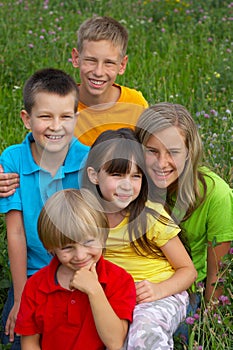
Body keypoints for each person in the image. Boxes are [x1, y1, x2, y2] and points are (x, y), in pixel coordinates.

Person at [0, 16, 148, 196]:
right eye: (91, 60)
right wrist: (7, 174)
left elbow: (146, 159)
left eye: (109, 63)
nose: (98, 72)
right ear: (76, 58)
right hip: (69, 201)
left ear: (122, 65)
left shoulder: (136, 105)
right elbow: (36, 152)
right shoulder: (61, 106)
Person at [82, 128, 197, 349]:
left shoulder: (149, 215)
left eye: (136, 176)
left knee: (144, 332)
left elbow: (188, 270)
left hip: (158, 294)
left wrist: (158, 289)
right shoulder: (85, 216)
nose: (127, 185)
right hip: (114, 296)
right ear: (94, 175)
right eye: (117, 175)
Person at [0, 68, 90, 349]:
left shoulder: (87, 158)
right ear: (27, 119)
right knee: (14, 334)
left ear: (76, 118)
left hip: (78, 267)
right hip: (32, 273)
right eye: (45, 116)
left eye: (65, 117)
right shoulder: (13, 159)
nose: (56, 126)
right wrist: (21, 298)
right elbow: (15, 233)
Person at [135, 102, 233, 302]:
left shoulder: (216, 194)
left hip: (184, 292)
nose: (162, 163)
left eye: (173, 152)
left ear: (189, 152)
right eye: (152, 151)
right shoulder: (129, 186)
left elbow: (217, 275)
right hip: (133, 287)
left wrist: (207, 327)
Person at [14, 189, 136, 350]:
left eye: (88, 242)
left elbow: (114, 342)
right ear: (51, 248)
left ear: (103, 236)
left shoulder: (120, 280)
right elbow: (30, 343)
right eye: (67, 248)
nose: (80, 255)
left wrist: (94, 290)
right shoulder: (36, 286)